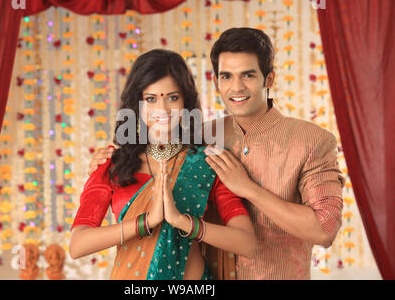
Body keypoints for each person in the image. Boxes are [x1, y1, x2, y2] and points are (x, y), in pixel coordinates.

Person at [89, 28, 345, 280]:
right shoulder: (201, 136)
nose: (236, 87)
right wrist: (110, 159)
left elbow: (324, 230)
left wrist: (248, 189)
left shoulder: (312, 141)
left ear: (269, 79)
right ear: (216, 82)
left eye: (248, 75)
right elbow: (153, 151)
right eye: (226, 76)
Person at [69, 49, 256, 280]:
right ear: (136, 104)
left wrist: (182, 222)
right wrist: (146, 222)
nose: (163, 109)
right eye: (151, 99)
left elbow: (247, 243)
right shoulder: (113, 165)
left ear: (186, 101)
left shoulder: (208, 162)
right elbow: (78, 245)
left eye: (173, 97)